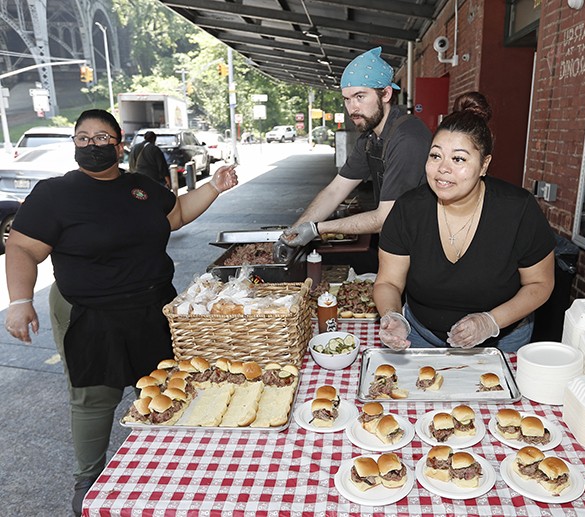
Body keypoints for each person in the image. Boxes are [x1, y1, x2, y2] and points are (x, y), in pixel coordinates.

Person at [3, 109, 237, 516]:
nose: (92, 145)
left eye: (102, 137)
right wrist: (21, 302)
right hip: (90, 311)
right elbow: (22, 247)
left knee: (161, 385)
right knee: (96, 395)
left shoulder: (140, 187)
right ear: (74, 143)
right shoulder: (54, 193)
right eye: (83, 138)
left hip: (151, 305)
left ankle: (166, 462)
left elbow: (176, 214)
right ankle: (88, 481)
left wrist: (214, 187)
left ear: (119, 143)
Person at [373, 92, 555, 352]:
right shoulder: (408, 209)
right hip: (421, 335)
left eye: (458, 159)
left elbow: (540, 284)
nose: (443, 168)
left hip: (502, 340)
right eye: (435, 156)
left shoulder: (518, 209)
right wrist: (393, 315)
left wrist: (491, 322)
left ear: (484, 165)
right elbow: (388, 282)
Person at [273, 47, 432, 272]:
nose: (352, 108)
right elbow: (334, 191)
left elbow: (384, 218)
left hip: (426, 253)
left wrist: (316, 229)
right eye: (347, 99)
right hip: (400, 245)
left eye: (360, 96)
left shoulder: (407, 138)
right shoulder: (370, 138)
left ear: (385, 94)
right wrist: (294, 231)